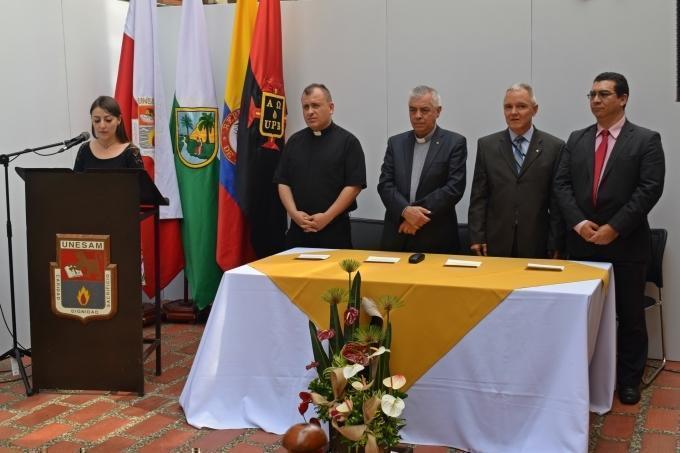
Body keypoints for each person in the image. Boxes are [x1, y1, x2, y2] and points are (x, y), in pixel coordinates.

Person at [554, 72, 665, 405]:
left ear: (623, 98)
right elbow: (561, 186)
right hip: (581, 243)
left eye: (603, 94)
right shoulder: (576, 139)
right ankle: (580, 376)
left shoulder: (645, 140)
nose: (596, 100)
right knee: (582, 315)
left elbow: (650, 189)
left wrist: (614, 227)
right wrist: (578, 223)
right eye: (591, 94)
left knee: (630, 317)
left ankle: (629, 380)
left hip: (627, 245)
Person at [468, 83, 564, 258]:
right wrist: (476, 236)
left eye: (521, 106)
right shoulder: (487, 146)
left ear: (535, 110)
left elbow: (557, 202)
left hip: (537, 240)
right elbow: (479, 197)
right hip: (496, 240)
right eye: (508, 107)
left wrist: (556, 241)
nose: (513, 112)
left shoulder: (554, 147)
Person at [274, 84, 366, 249]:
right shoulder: (294, 142)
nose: (310, 112)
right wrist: (293, 214)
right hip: (298, 230)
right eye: (305, 107)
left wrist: (327, 217)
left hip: (334, 230)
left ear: (330, 107)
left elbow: (354, 186)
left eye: (315, 105)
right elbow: (283, 181)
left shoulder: (348, 142)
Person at [377, 85, 467, 254]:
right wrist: (405, 211)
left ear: (438, 111)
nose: (417, 116)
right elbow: (385, 185)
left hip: (436, 236)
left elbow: (453, 188)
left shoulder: (454, 143)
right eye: (413, 110)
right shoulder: (395, 143)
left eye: (424, 110)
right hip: (397, 234)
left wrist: (415, 218)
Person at [73, 96, 143, 171]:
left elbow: (140, 182)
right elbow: (74, 181)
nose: (102, 126)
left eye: (108, 120)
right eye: (97, 120)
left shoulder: (131, 152)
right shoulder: (84, 149)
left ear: (119, 119)